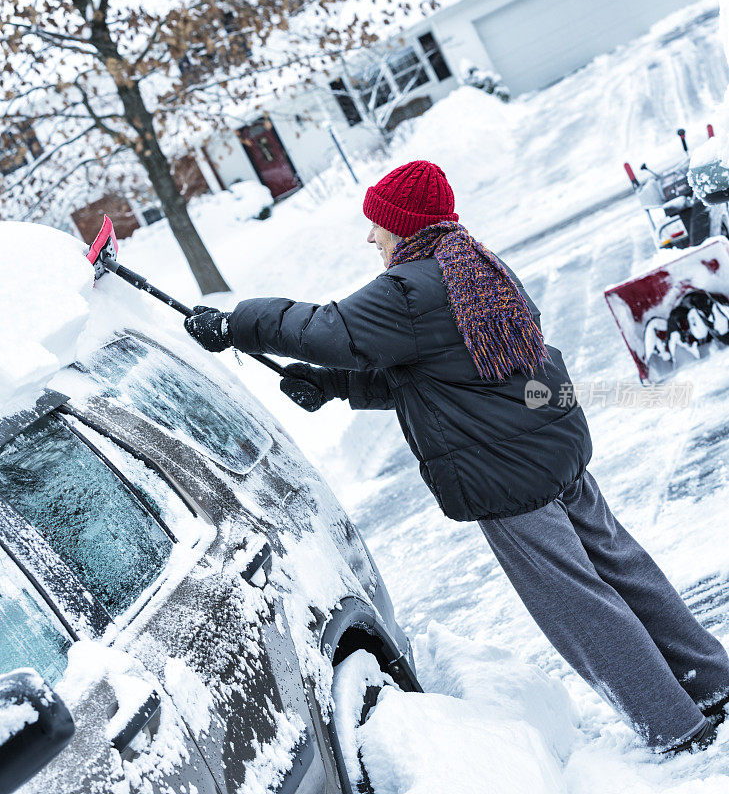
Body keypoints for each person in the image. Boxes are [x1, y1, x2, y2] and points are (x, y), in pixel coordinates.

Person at [184, 160, 729, 753]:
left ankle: (672, 725)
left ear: (405, 226)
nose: (371, 237)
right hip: (551, 444)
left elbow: (325, 330)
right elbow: (446, 374)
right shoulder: (472, 265)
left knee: (579, 606)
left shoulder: (410, 287)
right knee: (624, 569)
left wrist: (236, 324)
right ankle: (711, 681)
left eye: (378, 225)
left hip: (506, 470)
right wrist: (336, 385)